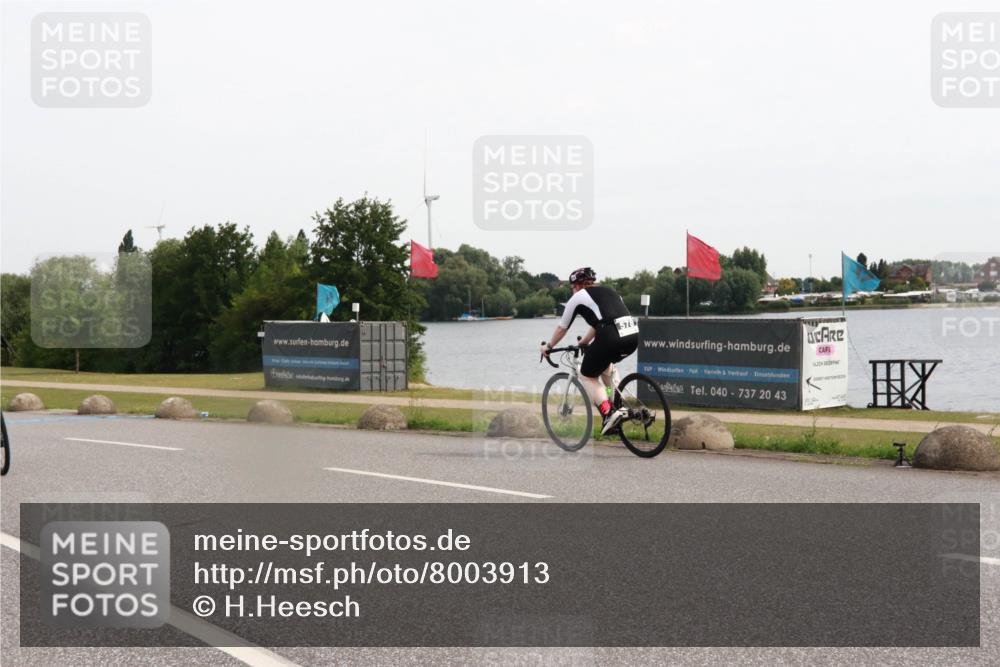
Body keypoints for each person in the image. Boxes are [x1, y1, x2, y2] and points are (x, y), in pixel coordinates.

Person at [540, 267, 639, 435]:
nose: (572, 291)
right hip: (632, 336)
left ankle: (608, 413)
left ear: (576, 285)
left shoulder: (578, 297)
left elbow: (562, 328)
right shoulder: (610, 291)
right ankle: (617, 404)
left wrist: (548, 347)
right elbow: (599, 323)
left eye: (572, 287)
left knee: (587, 375)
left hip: (610, 336)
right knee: (606, 367)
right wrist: (584, 342)